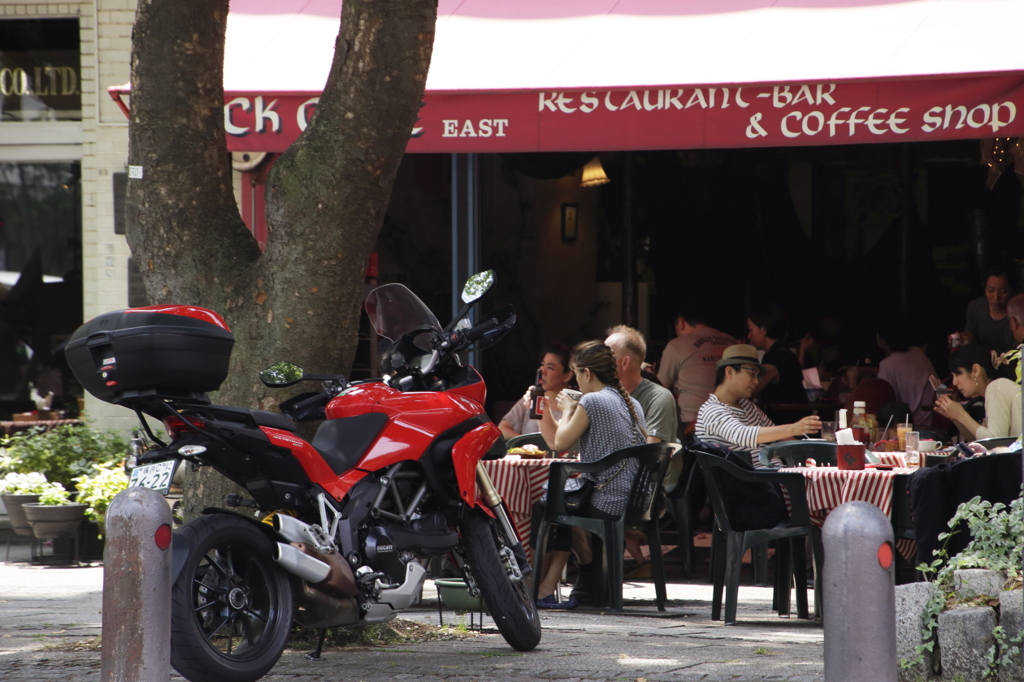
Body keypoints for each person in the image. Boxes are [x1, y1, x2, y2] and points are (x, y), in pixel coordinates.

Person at [534, 340, 647, 609]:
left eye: (576, 374)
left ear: (586, 373)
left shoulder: (593, 401)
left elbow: (559, 444)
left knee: (548, 505)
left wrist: (570, 407)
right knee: (562, 502)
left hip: (609, 500)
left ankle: (546, 585)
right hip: (635, 499)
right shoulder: (632, 403)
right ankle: (581, 583)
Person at [604, 325, 677, 581]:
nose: (599, 360)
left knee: (571, 500)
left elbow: (648, 453)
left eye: (606, 355)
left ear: (624, 362)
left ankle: (596, 577)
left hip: (644, 489)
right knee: (550, 497)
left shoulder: (658, 397)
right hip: (605, 481)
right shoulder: (602, 395)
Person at [695, 344, 821, 468]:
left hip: (774, 478)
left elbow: (780, 437)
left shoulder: (748, 406)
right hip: (751, 483)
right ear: (730, 372)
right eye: (752, 373)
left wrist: (810, 453)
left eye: (758, 376)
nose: (756, 381)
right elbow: (743, 435)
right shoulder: (712, 410)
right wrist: (795, 428)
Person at [657, 305, 735, 431]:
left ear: (681, 322)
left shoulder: (677, 345)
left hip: (694, 425)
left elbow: (660, 388)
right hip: (734, 421)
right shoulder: (732, 341)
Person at [933, 344, 1021, 440]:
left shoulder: (996, 387)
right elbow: (979, 443)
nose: (954, 382)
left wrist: (961, 415)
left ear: (975, 370)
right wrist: (955, 417)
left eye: (958, 374)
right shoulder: (995, 389)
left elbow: (994, 441)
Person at [498, 343, 574, 441]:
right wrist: (526, 444)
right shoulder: (531, 397)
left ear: (567, 376)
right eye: (542, 364)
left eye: (550, 368)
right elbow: (503, 428)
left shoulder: (574, 404)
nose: (542, 371)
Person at [746, 303, 807, 423]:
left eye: (751, 330)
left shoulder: (776, 357)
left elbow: (751, 388)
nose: (749, 335)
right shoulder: (782, 352)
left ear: (763, 330)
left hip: (787, 424)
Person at [876, 321, 939, 428]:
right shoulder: (918, 353)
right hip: (933, 421)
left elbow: (885, 404)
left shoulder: (887, 365)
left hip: (908, 428)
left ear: (882, 340)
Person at [963, 267, 1016, 354]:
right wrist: (964, 338)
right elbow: (970, 334)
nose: (996, 298)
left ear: (1012, 291)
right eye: (990, 290)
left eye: (1003, 291)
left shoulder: (1018, 314)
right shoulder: (975, 306)